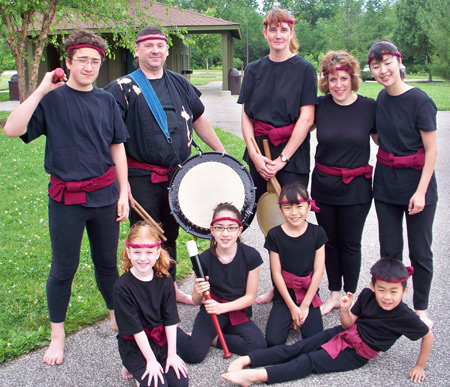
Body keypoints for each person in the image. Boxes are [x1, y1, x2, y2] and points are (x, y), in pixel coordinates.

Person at [3, 30, 129, 366]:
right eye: (83, 60)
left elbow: (117, 145)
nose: (89, 67)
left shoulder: (107, 101)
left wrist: (125, 191)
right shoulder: (51, 100)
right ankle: (57, 335)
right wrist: (43, 88)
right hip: (66, 199)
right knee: (63, 268)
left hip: (105, 195)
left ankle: (118, 318)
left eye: (95, 61)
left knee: (107, 265)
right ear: (68, 63)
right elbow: (11, 129)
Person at [105, 26, 226, 305]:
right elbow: (110, 139)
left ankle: (168, 291)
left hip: (178, 176)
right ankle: (145, 296)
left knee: (170, 235)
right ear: (137, 50)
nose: (155, 51)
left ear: (167, 50)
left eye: (160, 45)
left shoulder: (179, 83)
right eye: (148, 46)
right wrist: (122, 186)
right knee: (145, 238)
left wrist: (221, 154)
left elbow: (199, 119)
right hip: (141, 177)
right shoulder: (122, 88)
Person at [221, 257, 433, 386]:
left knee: (309, 361)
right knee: (299, 346)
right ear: (372, 285)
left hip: (357, 353)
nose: (387, 296)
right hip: (344, 332)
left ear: (405, 291)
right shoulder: (368, 295)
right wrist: (347, 309)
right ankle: (247, 360)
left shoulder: (405, 315)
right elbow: (349, 324)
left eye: (394, 292)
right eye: (382, 290)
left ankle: (255, 376)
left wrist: (420, 366)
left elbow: (427, 335)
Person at [367, 40, 438, 328]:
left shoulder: (420, 101)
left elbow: (431, 150)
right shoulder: (381, 100)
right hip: (386, 184)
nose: (383, 70)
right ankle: (390, 304)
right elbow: (378, 135)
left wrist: (420, 192)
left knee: (420, 251)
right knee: (390, 249)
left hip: (417, 185)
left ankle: (420, 308)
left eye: (387, 63)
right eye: (375, 66)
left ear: (399, 62)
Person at [311, 51, 377, 315]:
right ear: (326, 80)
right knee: (330, 242)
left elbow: (385, 139)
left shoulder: (369, 107)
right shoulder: (319, 107)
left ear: (353, 78)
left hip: (356, 189)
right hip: (324, 185)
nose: (338, 84)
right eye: (333, 79)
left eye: (344, 78)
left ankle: (349, 297)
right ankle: (334, 294)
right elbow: (296, 127)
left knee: (350, 243)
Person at [238, 8, 317, 202]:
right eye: (273, 30)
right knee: (249, 213)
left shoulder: (305, 69)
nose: (278, 35)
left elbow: (306, 119)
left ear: (291, 33)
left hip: (293, 155)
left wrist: (282, 159)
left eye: (283, 29)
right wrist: (255, 156)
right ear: (265, 34)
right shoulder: (253, 70)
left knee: (292, 215)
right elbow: (246, 115)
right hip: (259, 154)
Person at [177, 203, 267, 363]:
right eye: (219, 228)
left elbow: (250, 297)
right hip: (211, 312)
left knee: (258, 346)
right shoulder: (203, 260)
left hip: (237, 310)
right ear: (212, 230)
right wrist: (199, 291)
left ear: (239, 230)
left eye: (231, 228)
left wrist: (222, 308)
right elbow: (196, 300)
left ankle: (214, 339)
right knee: (194, 355)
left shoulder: (251, 256)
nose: (225, 233)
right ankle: (170, 332)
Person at [114, 221, 188, 387]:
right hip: (136, 345)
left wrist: (171, 355)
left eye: (149, 252)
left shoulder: (165, 280)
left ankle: (148, 367)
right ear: (128, 252)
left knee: (180, 383)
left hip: (160, 341)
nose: (142, 258)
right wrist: (151, 361)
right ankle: (132, 367)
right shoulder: (122, 287)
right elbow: (135, 329)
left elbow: (170, 320)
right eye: (137, 252)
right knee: (158, 384)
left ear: (157, 253)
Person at [264, 182, 326, 347]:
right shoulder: (274, 235)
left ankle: (299, 317)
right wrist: (292, 307)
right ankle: (291, 317)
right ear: (281, 209)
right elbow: (276, 273)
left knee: (314, 340)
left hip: (308, 293)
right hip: (285, 296)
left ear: (308, 206)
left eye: (299, 206)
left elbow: (319, 271)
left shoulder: (317, 233)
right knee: (273, 340)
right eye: (288, 208)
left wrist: (305, 305)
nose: (294, 213)